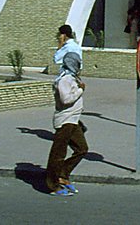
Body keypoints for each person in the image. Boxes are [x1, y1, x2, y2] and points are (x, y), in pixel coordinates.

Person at [46, 52, 87, 196]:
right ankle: (53, 184)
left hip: (74, 120)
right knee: (58, 153)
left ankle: (63, 174)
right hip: (65, 120)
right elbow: (65, 99)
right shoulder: (64, 79)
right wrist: (80, 90)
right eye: (77, 63)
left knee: (82, 148)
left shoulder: (73, 78)